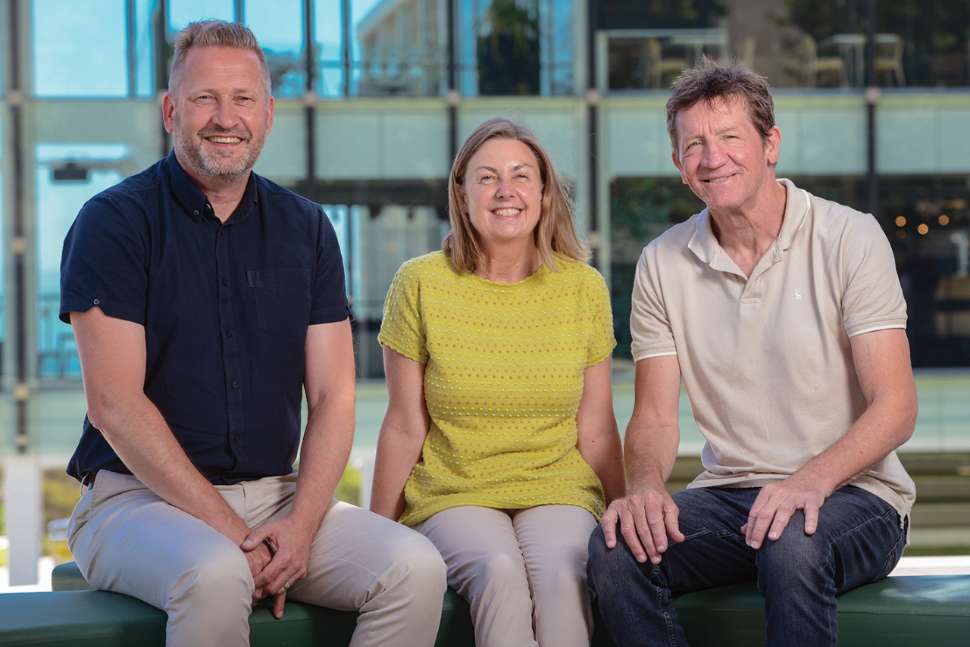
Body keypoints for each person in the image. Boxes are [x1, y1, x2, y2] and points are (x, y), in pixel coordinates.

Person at [60, 20, 445, 647]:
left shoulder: (308, 228)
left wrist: (298, 525)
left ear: (268, 114)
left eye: (242, 100)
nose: (224, 117)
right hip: (133, 502)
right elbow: (114, 405)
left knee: (415, 567)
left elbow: (333, 397)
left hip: (276, 499)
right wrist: (232, 534)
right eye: (204, 98)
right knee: (215, 575)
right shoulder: (113, 222)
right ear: (170, 110)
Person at [587, 61, 916, 647]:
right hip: (731, 499)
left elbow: (895, 406)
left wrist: (808, 481)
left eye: (730, 137)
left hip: (856, 497)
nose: (712, 158)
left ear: (770, 145)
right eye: (695, 146)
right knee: (618, 547)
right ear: (679, 167)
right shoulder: (661, 263)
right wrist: (643, 488)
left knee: (791, 538)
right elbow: (656, 417)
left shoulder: (849, 237)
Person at [370, 118, 625, 647]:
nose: (505, 191)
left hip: (558, 486)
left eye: (521, 176)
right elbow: (402, 425)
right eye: (486, 178)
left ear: (544, 193)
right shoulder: (419, 283)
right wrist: (377, 530)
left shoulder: (583, 288)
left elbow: (597, 427)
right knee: (499, 569)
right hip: (453, 491)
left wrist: (623, 507)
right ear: (461, 197)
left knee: (562, 576)